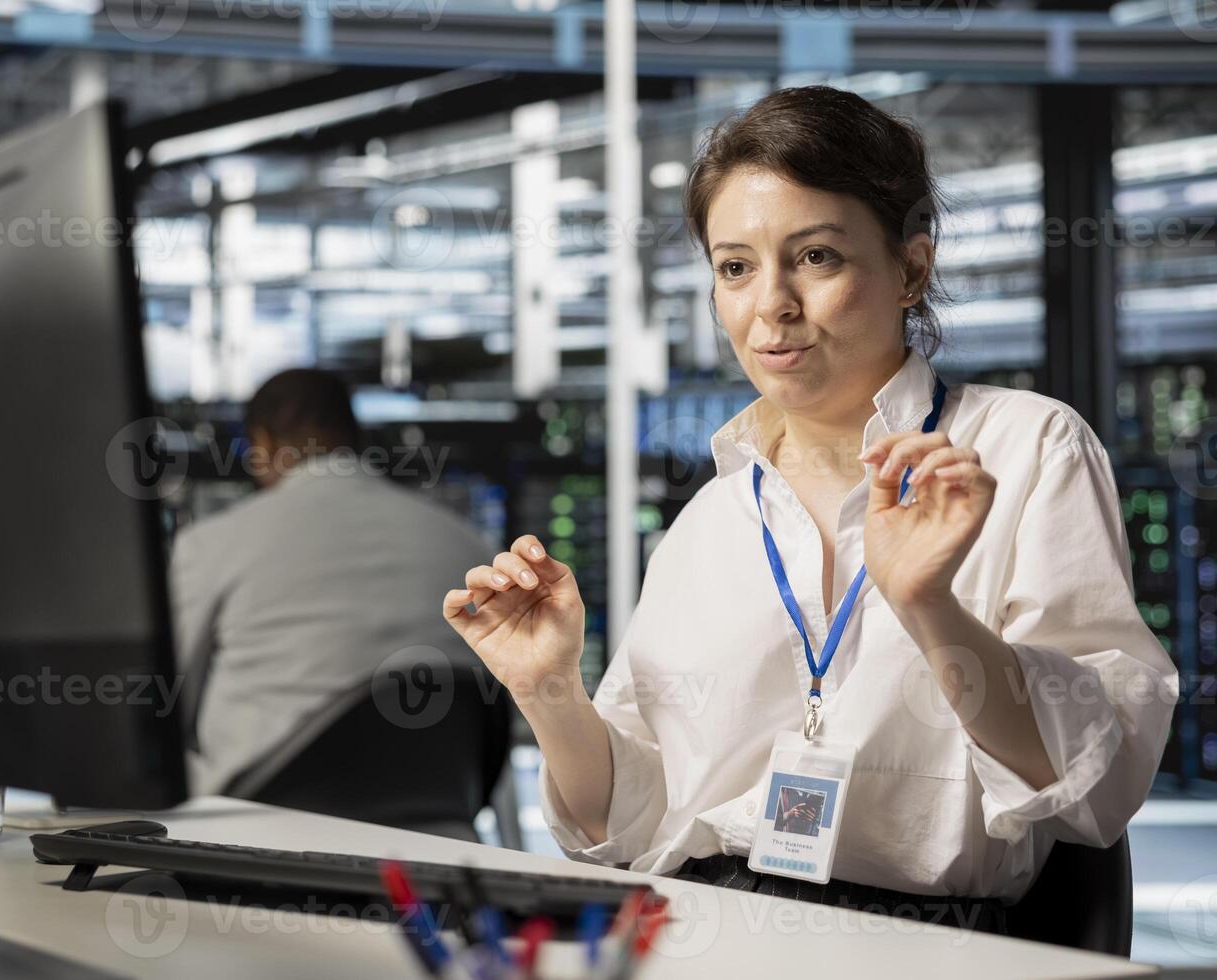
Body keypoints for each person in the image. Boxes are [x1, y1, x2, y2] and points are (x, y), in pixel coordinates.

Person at [442, 85, 1178, 934]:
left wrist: (930, 608)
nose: (771, 306)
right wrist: (548, 692)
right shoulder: (711, 519)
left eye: (817, 257)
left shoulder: (1024, 448)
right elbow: (625, 828)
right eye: (735, 267)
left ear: (911, 269)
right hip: (710, 928)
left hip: (927, 944)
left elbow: (1095, 786)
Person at [173, 368, 492, 796]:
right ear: (354, 437)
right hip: (440, 817)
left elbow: (165, 705)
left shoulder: (213, 543)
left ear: (261, 443)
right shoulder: (469, 545)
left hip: (258, 823)